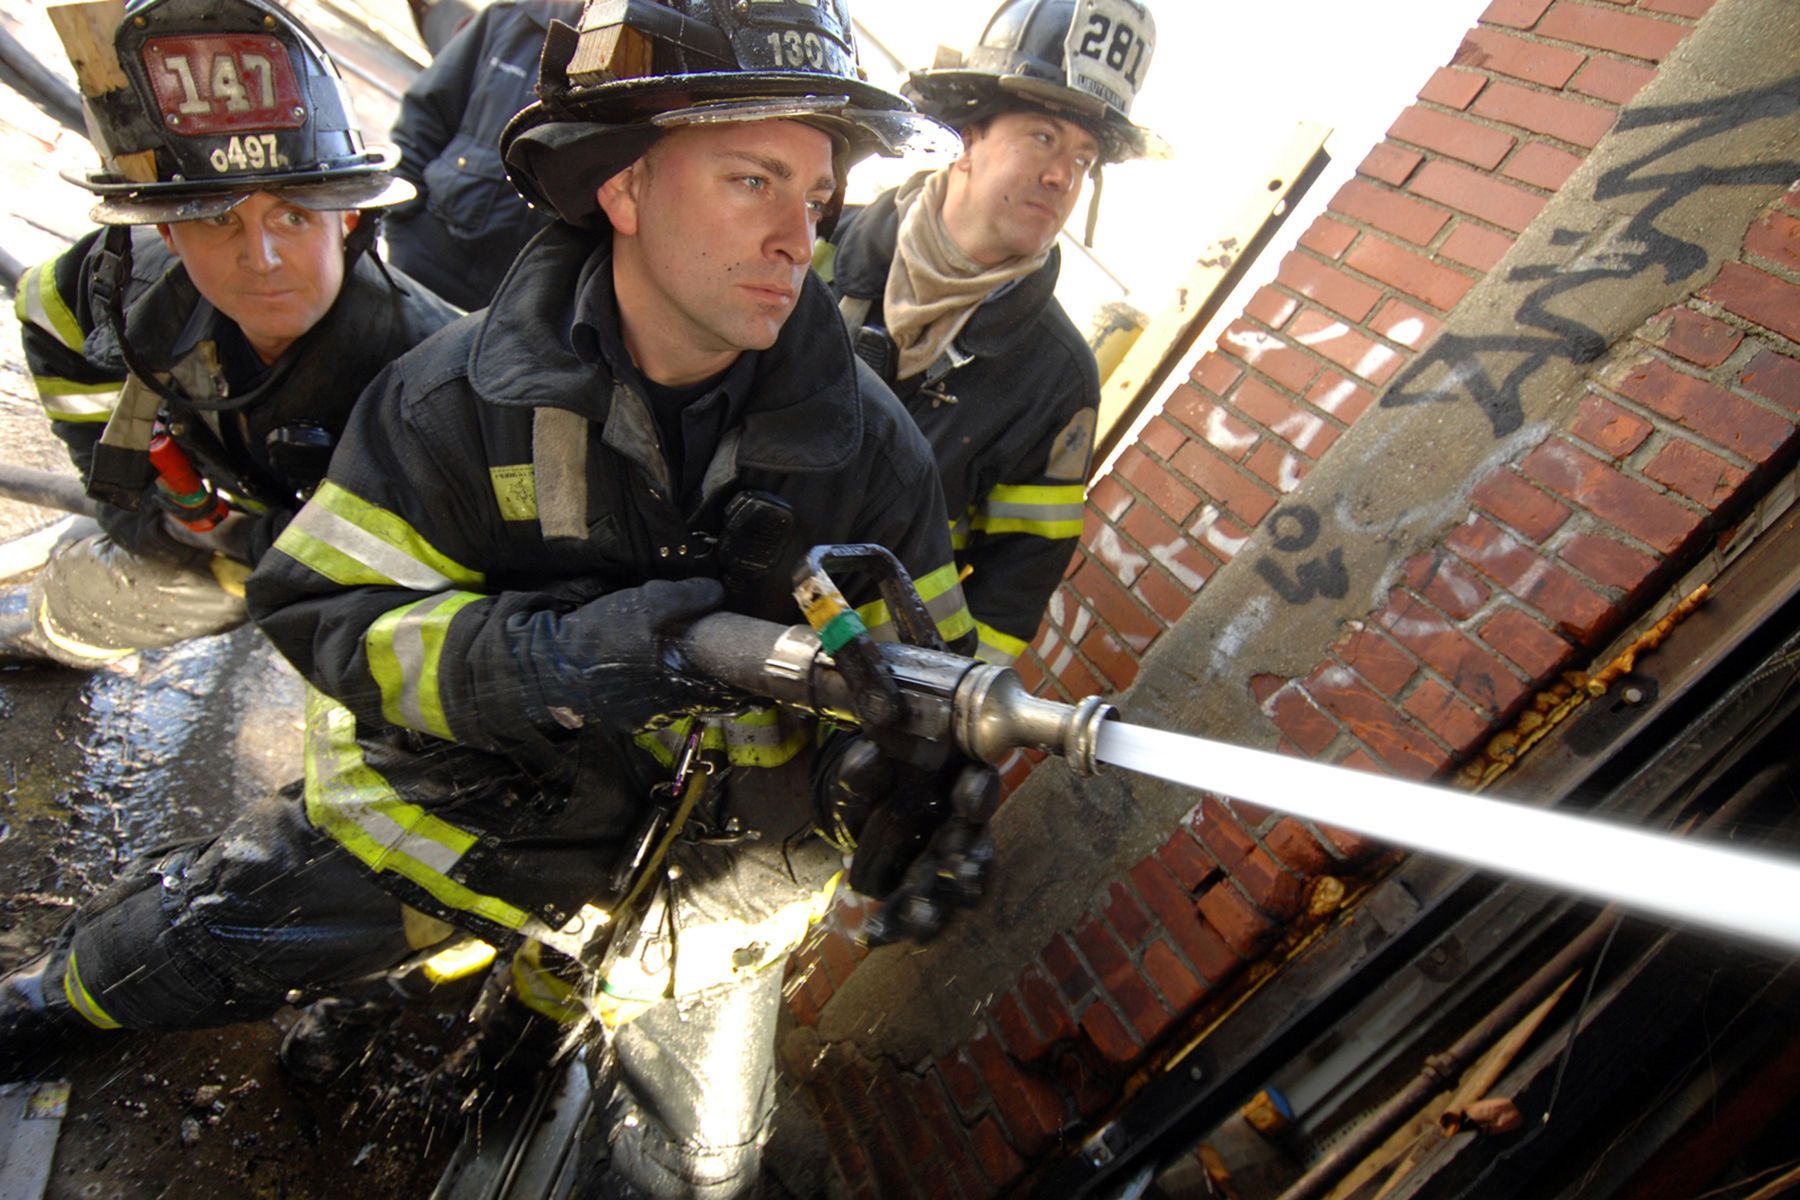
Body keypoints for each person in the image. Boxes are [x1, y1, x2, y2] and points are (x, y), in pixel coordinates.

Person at [0, 0, 990, 1194]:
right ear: (623, 186)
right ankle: (48, 1002)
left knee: (706, 1168)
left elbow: (917, 679)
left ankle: (523, 1042)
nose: (801, 236)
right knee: (193, 946)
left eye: (815, 193)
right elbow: (329, 616)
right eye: (752, 180)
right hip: (461, 819)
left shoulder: (872, 453)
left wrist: (889, 795)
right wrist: (560, 663)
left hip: (710, 895)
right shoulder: (449, 399)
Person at [4, 0, 459, 670]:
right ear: (166, 233)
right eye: (218, 221)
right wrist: (134, 504)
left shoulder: (430, 376)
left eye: (294, 216)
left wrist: (237, 550)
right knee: (87, 595)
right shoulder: (117, 285)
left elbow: (417, 574)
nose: (262, 257)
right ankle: (54, 638)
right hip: (214, 508)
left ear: (350, 221)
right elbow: (46, 315)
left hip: (327, 568)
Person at [819, 0, 1167, 667]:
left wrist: (933, 722)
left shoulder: (1057, 381)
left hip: (836, 696)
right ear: (966, 137)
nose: (1063, 175)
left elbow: (1013, 594)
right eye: (1042, 136)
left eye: (1084, 159)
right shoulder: (817, 245)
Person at [384, 0, 578, 310]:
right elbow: (425, 118)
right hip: (424, 259)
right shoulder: (510, 20)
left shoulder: (640, 59)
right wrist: (400, 222)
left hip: (514, 307)